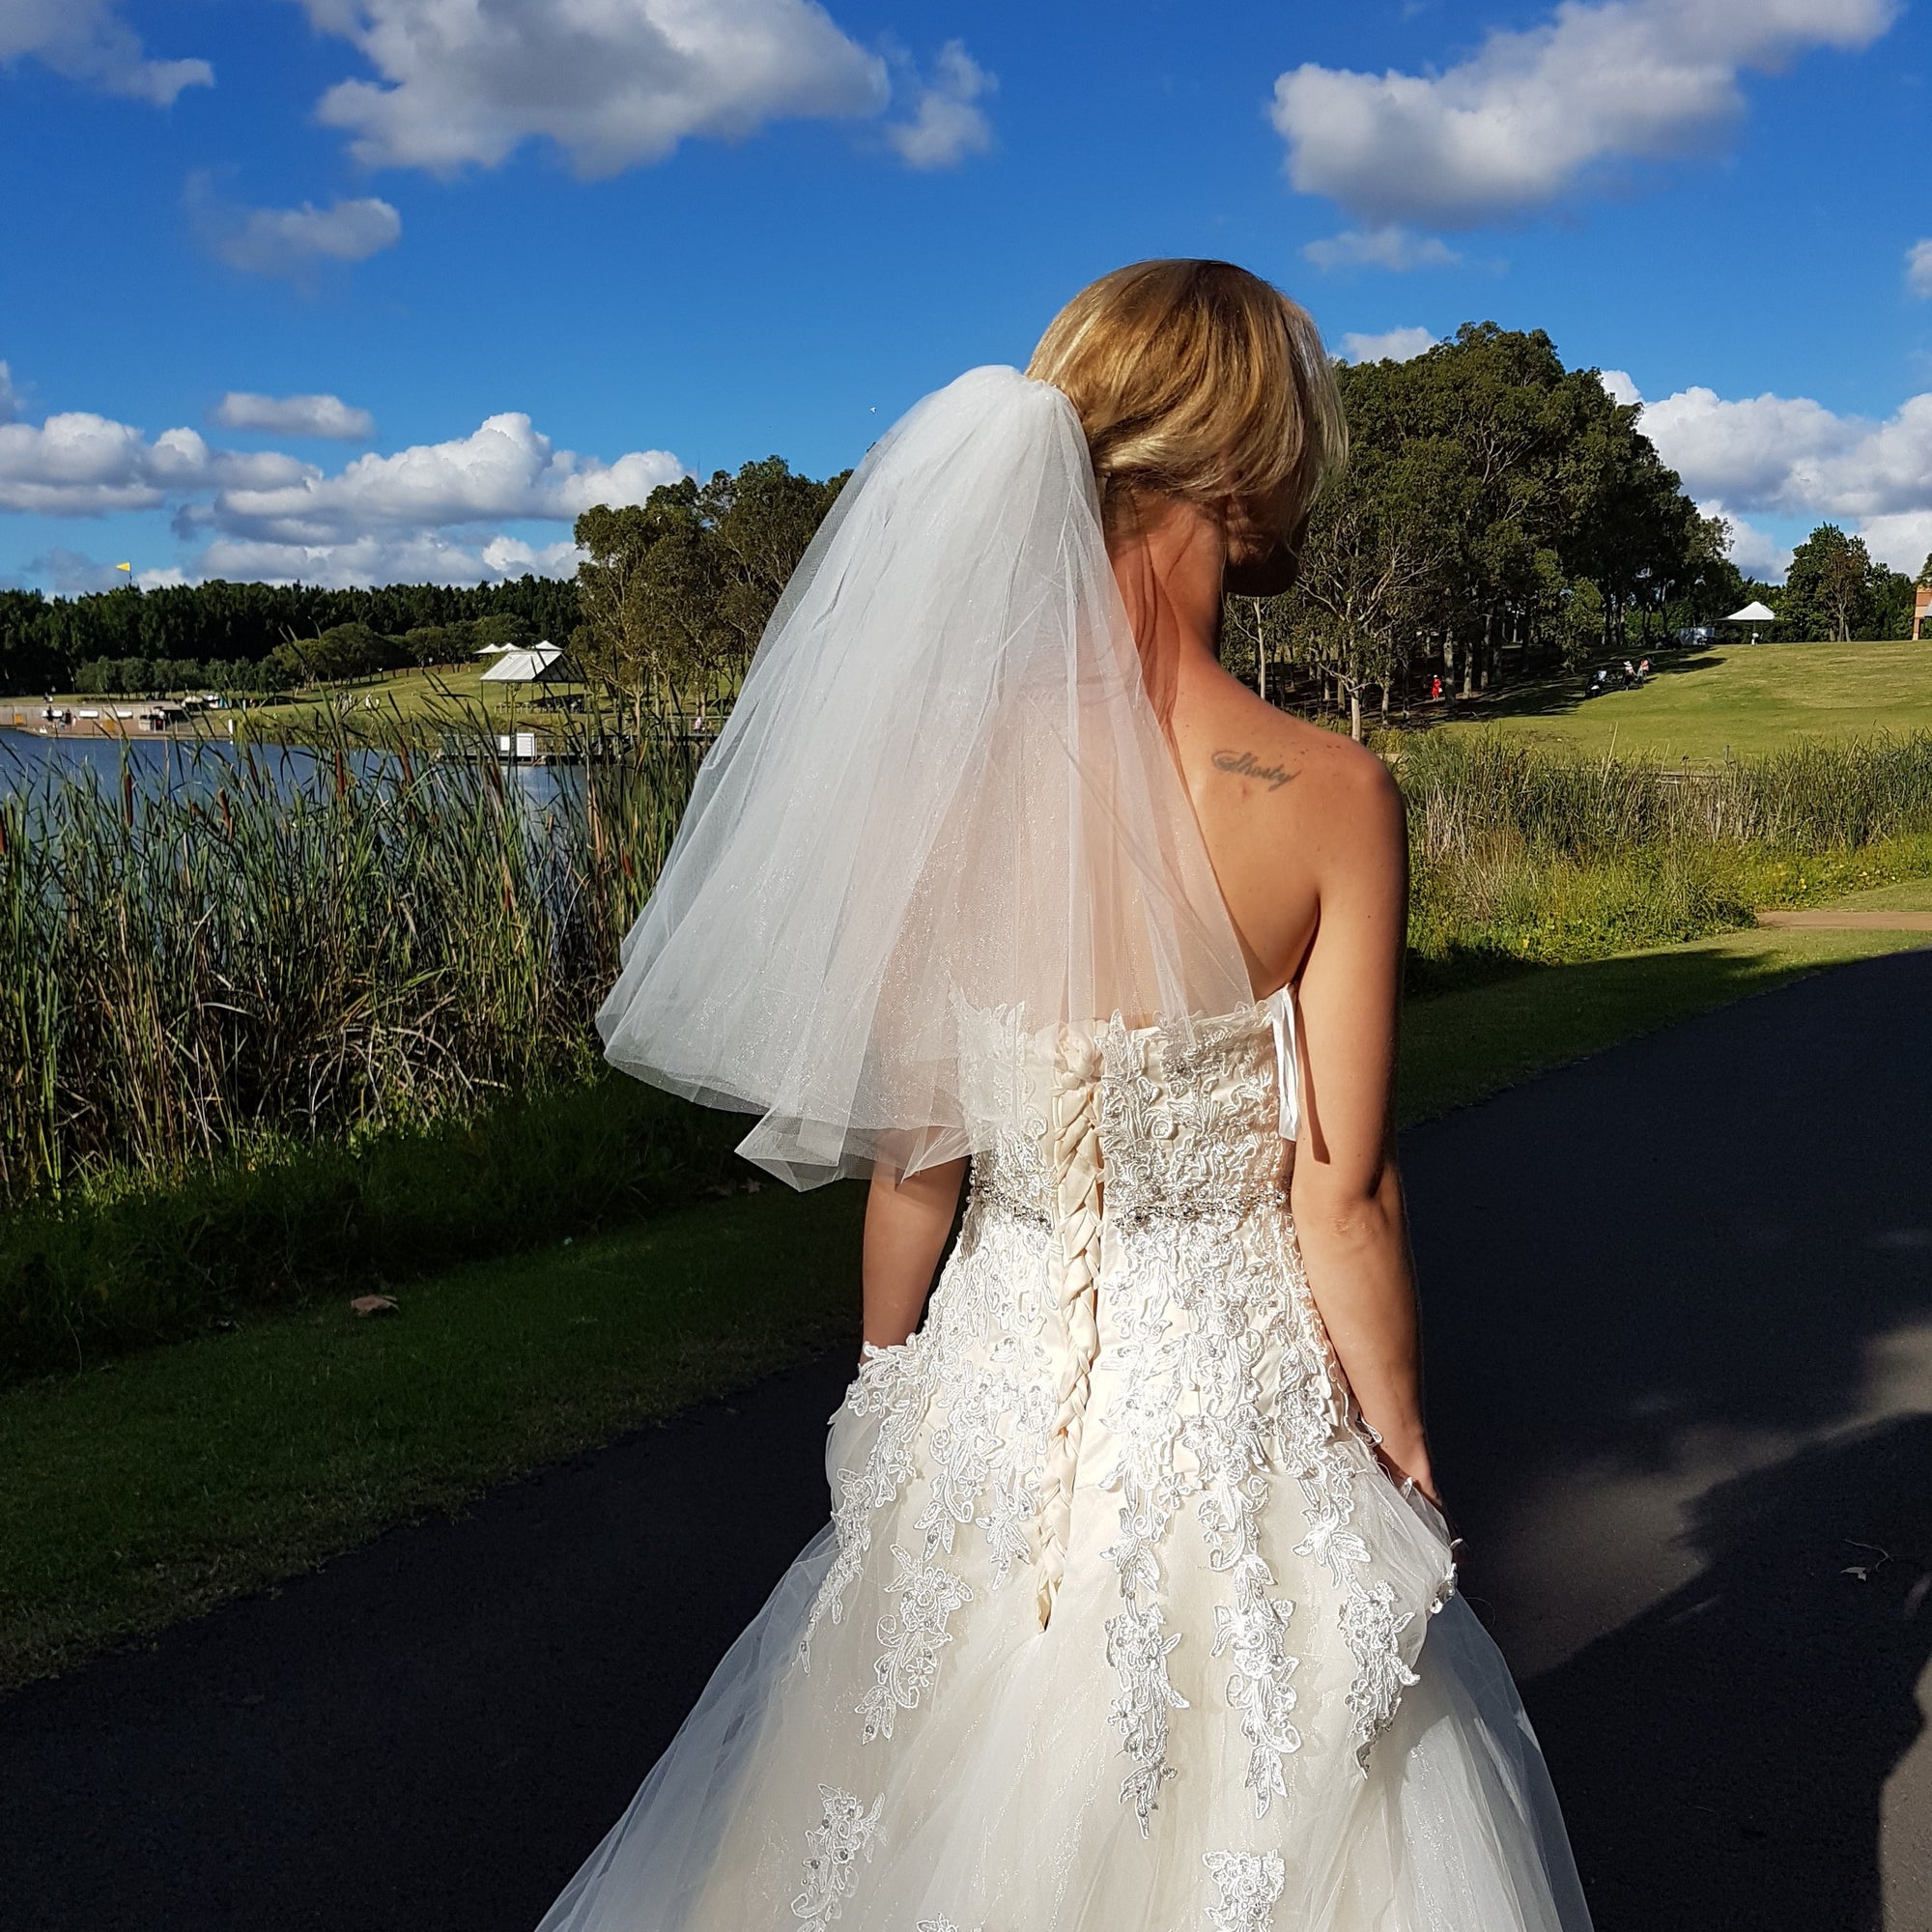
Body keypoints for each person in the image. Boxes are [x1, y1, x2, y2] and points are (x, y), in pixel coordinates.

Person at [562, 262, 1592, 1932]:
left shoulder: (935, 774)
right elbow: (1338, 1195)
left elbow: (919, 1156)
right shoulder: (1326, 794)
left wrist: (886, 1398)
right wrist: (1399, 1447)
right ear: (1239, 465)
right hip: (1230, 1418)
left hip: (984, 1397)